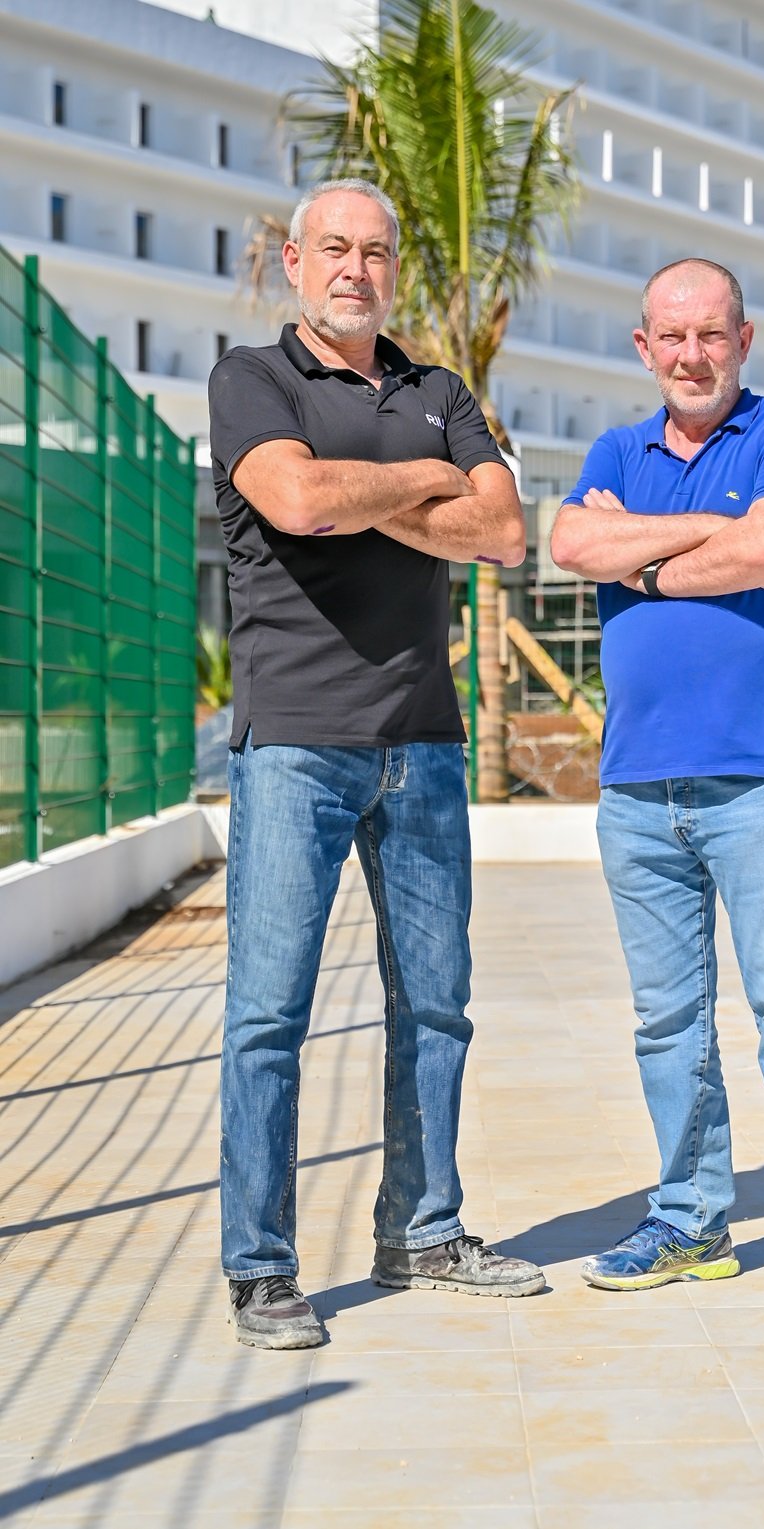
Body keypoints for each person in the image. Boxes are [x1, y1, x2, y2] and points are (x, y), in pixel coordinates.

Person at [208, 178, 545, 1349]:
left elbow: (503, 531)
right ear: (295, 261)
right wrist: (420, 481)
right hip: (295, 741)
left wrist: (361, 495)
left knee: (436, 1005)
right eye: (335, 248)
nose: (357, 266)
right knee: (268, 1016)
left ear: (394, 269)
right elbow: (293, 498)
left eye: (377, 251)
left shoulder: (439, 387)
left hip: (425, 741)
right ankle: (261, 1267)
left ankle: (423, 1230)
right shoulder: (251, 381)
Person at [550, 258, 764, 1320]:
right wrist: (704, 542)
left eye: (711, 334)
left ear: (743, 338)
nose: (692, 354)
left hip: (759, 782)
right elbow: (565, 540)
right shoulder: (612, 447)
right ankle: (689, 1216)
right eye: (671, 336)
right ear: (644, 347)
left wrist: (633, 552)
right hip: (636, 786)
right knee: (666, 1021)